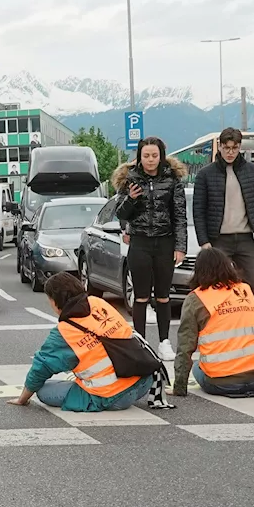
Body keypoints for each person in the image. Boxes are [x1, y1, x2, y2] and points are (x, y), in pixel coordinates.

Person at [7, 272, 152, 412]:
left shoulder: (64, 332)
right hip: (142, 382)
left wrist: (22, 399)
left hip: (111, 396)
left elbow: (41, 368)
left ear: (55, 301)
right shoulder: (98, 303)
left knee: (44, 391)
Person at [112, 136, 187, 360]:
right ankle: (140, 343)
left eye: (155, 155)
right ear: (139, 156)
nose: (151, 160)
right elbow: (121, 214)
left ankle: (164, 341)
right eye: (146, 156)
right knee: (141, 296)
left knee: (163, 296)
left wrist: (180, 246)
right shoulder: (130, 179)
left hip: (165, 242)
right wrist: (131, 199)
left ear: (161, 156)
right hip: (140, 242)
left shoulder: (173, 180)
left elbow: (180, 215)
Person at [172, 248, 254, 397]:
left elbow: (185, 346)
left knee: (198, 367)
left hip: (220, 383)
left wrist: (179, 387)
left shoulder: (196, 299)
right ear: (228, 266)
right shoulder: (244, 289)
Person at [192, 126, 254, 300]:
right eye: (227, 148)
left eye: (234, 148)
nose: (230, 152)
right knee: (215, 283)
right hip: (219, 239)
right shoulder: (205, 174)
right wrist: (204, 241)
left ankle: (249, 318)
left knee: (253, 280)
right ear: (220, 146)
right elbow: (198, 210)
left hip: (245, 238)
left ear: (240, 147)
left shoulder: (252, 171)